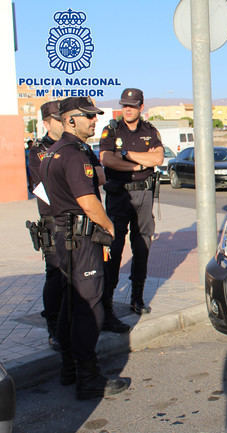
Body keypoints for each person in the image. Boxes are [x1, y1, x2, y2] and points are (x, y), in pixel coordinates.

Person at [40, 96, 128, 400]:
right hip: (80, 240)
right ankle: (89, 379)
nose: (94, 120)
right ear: (69, 120)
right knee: (88, 308)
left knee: (68, 304)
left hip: (63, 239)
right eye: (88, 116)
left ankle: (69, 368)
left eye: (95, 116)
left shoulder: (53, 152)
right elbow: (88, 202)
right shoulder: (75, 154)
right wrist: (109, 226)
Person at [99, 88, 163, 330]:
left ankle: (137, 297)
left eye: (132, 105)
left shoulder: (150, 130)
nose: (128, 109)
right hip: (119, 194)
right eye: (124, 104)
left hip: (144, 194)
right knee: (114, 246)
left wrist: (125, 155)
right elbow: (107, 159)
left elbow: (157, 159)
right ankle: (107, 302)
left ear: (141, 107)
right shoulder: (112, 129)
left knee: (142, 245)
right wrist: (139, 162)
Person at [27, 101, 65, 351]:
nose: (63, 122)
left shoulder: (75, 146)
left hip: (76, 219)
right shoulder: (38, 151)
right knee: (55, 275)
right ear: (47, 122)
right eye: (58, 119)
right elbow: (41, 188)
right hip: (53, 220)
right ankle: (54, 327)